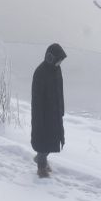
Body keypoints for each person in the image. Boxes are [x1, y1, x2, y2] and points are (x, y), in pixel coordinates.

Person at [30, 43, 66, 178]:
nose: (60, 63)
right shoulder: (40, 73)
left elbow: (60, 91)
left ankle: (40, 158)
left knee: (53, 140)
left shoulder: (56, 70)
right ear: (50, 58)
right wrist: (38, 119)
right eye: (58, 60)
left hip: (55, 112)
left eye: (61, 61)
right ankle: (41, 168)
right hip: (43, 115)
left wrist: (61, 109)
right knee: (43, 141)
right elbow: (36, 100)